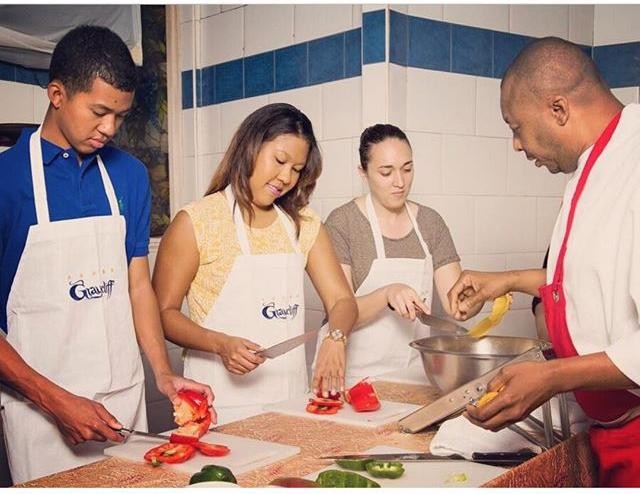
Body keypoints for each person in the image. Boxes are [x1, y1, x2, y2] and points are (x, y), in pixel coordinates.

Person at [0, 26, 213, 484]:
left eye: (120, 116)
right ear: (57, 94)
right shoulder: (5, 182)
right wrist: (54, 401)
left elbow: (138, 284)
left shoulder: (130, 177)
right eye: (99, 112)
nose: (110, 129)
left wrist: (162, 372)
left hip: (122, 399)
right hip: (38, 411)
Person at [448, 37, 640, 487]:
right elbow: (598, 283)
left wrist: (550, 377)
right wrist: (508, 280)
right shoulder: (596, 164)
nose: (516, 144)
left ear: (558, 110)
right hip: (612, 434)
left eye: (516, 126)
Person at [152, 103, 358, 425]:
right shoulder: (196, 222)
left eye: (297, 169)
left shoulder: (303, 225)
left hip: (289, 403)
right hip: (221, 407)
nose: (286, 177)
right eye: (279, 160)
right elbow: (162, 314)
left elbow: (343, 300)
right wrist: (220, 344)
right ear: (251, 145)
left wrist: (336, 337)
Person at [315, 124, 468, 386]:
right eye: (386, 172)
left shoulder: (430, 223)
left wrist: (488, 290)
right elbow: (338, 309)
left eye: (407, 169)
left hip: (413, 373)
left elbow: (458, 306)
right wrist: (388, 293)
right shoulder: (343, 222)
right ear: (363, 173)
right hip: (351, 375)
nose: (400, 182)